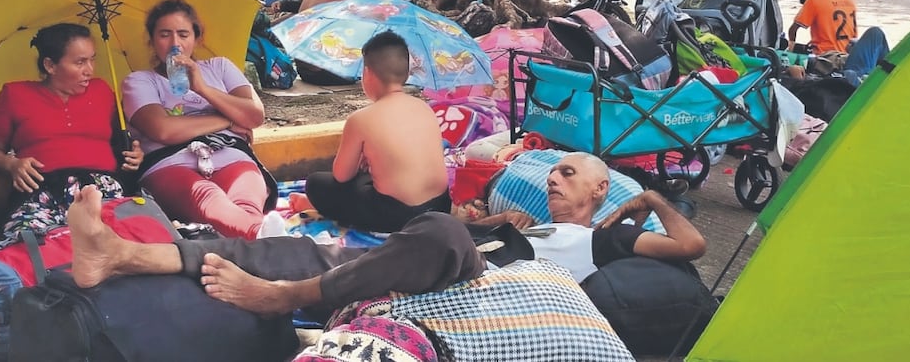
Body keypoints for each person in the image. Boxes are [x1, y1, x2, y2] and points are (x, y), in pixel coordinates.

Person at [66, 151, 705, 316]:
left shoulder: (601, 240)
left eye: (569, 173)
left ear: (599, 192)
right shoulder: (527, 224)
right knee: (287, 247)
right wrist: (487, 219)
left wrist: (647, 197)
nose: (553, 179)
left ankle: (287, 298)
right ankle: (121, 255)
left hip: (492, 293)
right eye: (552, 170)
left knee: (440, 236)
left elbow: (691, 247)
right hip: (443, 265)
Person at [122, 0, 274, 240]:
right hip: (170, 163)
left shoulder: (220, 67)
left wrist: (202, 88)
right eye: (164, 34)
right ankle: (272, 239)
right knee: (209, 198)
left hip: (231, 155)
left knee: (246, 205)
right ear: (151, 40)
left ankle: (262, 240)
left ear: (196, 38)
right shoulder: (139, 81)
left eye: (183, 34)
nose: (175, 43)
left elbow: (254, 115)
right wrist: (228, 120)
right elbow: (164, 131)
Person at [0, 24, 143, 240]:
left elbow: (120, 143)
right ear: (50, 65)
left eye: (92, 59)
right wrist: (12, 164)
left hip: (102, 189)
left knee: (127, 236)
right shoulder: (15, 95)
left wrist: (134, 153)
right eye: (80, 62)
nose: (90, 70)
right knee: (30, 245)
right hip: (43, 192)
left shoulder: (101, 91)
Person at [298, 32, 450, 233]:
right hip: (440, 207)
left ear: (367, 74)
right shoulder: (424, 108)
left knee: (316, 183)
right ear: (406, 74)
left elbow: (341, 176)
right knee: (367, 177)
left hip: (397, 216)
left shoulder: (361, 119)